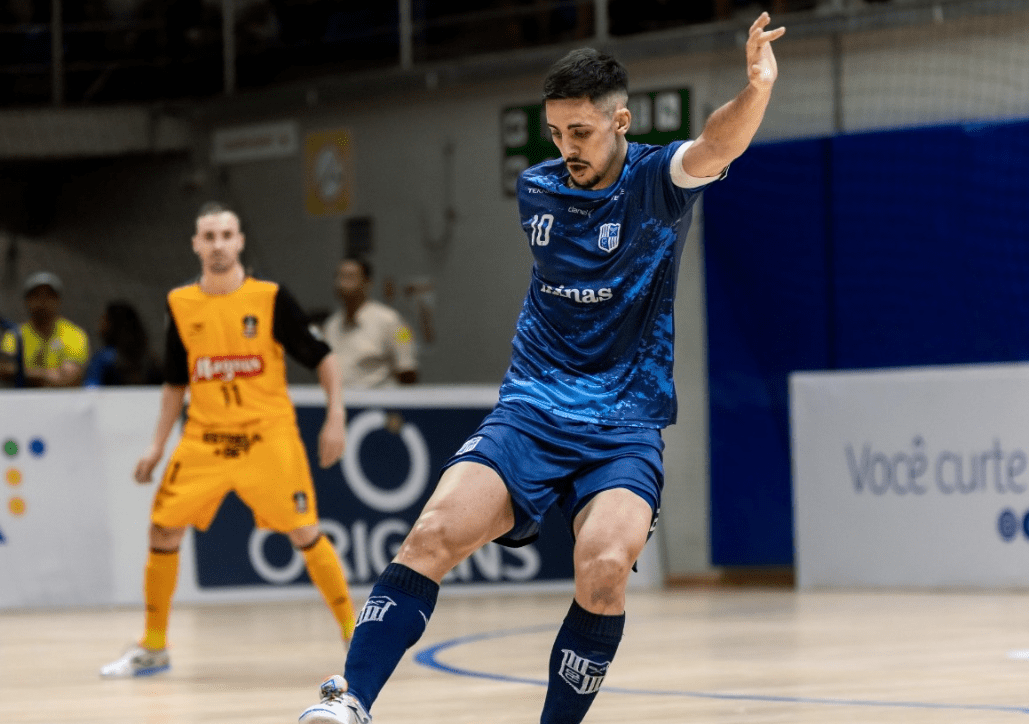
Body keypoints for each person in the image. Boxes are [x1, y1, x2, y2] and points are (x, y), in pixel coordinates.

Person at [298, 13, 785, 724]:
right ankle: (349, 702)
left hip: (625, 422)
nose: (566, 149)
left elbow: (715, 144)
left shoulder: (656, 182)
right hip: (531, 409)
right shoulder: (538, 190)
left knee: (606, 568)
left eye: (580, 132)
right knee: (432, 534)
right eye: (554, 133)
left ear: (620, 121)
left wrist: (756, 87)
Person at [100, 201, 355, 678]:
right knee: (162, 529)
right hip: (205, 440)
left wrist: (335, 414)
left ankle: (354, 634)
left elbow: (323, 357)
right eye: (209, 237)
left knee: (305, 531)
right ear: (196, 245)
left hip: (267, 437)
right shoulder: (180, 303)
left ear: (240, 241)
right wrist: (157, 446)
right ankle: (154, 646)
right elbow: (176, 381)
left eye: (226, 235)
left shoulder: (271, 297)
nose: (218, 245)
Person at [320, 256, 418, 388]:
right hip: (340, 404)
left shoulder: (392, 321)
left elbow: (407, 370)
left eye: (350, 277)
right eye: (339, 277)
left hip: (378, 405)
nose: (341, 283)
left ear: (367, 283)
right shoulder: (331, 325)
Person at [0, 271, 90, 387]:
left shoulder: (74, 334)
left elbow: (69, 378)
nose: (42, 301)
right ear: (27, 300)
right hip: (24, 402)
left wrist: (22, 372)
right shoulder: (15, 334)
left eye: (49, 295)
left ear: (58, 300)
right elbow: (4, 370)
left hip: (63, 403)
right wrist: (48, 374)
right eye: (36, 295)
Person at [84, 300, 165, 386]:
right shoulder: (151, 360)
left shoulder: (104, 359)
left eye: (104, 320)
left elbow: (91, 388)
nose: (99, 325)